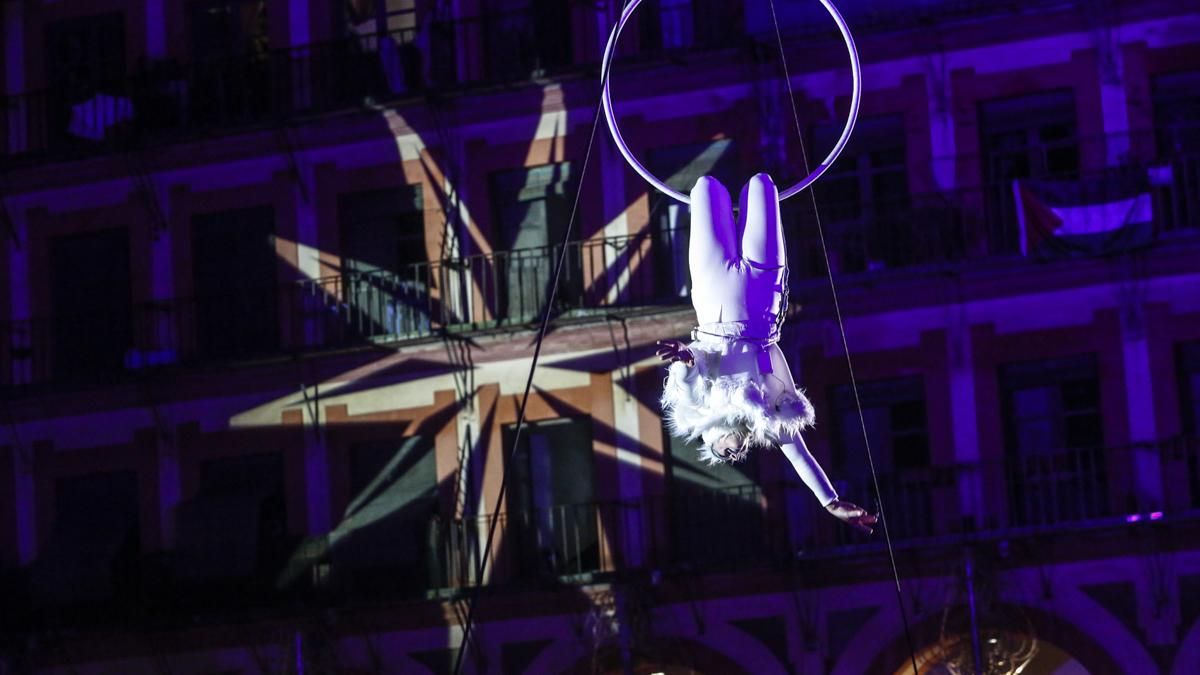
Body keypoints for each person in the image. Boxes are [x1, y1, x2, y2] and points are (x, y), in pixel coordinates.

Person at [656, 174, 877, 534]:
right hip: (763, 296)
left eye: (725, 454)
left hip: (714, 299)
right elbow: (800, 456)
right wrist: (831, 502)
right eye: (740, 455)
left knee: (707, 187)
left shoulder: (701, 409)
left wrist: (685, 356)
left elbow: (689, 375)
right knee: (762, 185)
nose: (735, 454)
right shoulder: (767, 417)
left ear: (710, 441)